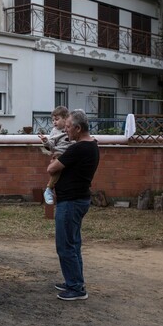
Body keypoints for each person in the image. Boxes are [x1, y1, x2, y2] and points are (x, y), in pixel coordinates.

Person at [47, 110, 100, 301]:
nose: (65, 130)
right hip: (79, 200)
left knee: (65, 245)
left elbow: (51, 168)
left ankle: (76, 288)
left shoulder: (78, 149)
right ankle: (74, 280)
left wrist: (54, 161)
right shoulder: (92, 145)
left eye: (68, 127)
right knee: (74, 243)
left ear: (78, 128)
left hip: (71, 202)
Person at [39, 106, 75, 205]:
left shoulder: (72, 128)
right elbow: (51, 146)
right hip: (60, 154)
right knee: (57, 171)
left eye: (57, 119)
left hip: (73, 154)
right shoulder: (54, 131)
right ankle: (49, 189)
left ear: (66, 118)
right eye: (53, 120)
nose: (54, 122)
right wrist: (46, 142)